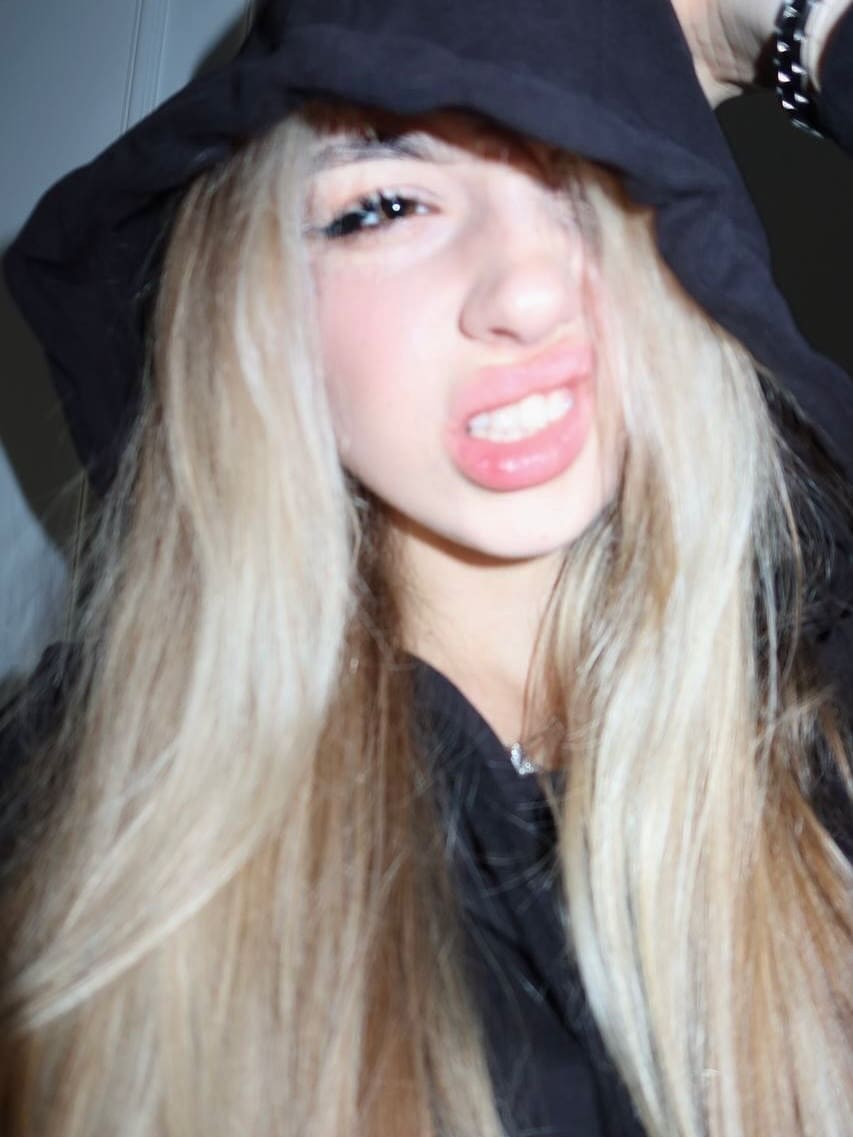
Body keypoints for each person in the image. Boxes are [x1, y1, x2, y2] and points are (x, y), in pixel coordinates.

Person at [0, 1, 851, 1134]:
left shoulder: (816, 728)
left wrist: (799, 24)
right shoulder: (76, 808)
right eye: (385, 206)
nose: (527, 293)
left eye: (591, 178)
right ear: (258, 299)